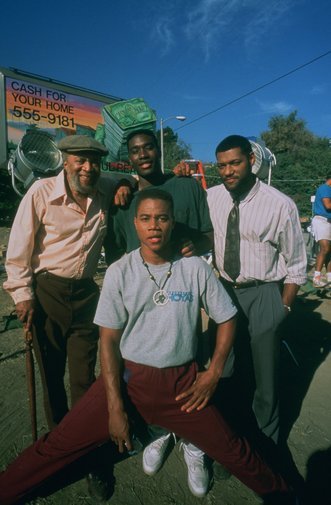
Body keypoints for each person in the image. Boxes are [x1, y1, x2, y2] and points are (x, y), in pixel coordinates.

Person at [0, 189, 298, 505]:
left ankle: (284, 496)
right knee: (57, 445)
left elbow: (227, 318)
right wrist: (115, 408)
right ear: (136, 224)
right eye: (146, 218)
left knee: (234, 448)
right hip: (128, 380)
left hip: (183, 387)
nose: (154, 226)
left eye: (162, 218)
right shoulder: (120, 271)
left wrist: (213, 371)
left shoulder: (194, 268)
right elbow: (109, 340)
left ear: (172, 223)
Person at [105, 129, 214, 496]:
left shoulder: (186, 185)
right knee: (149, 370)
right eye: (135, 151)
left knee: (191, 366)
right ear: (129, 157)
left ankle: (195, 443)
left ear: (159, 150)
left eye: (148, 147)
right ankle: (160, 431)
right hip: (143, 301)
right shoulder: (122, 198)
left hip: (184, 295)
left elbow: (206, 237)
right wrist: (122, 183)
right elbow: (117, 252)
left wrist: (191, 244)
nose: (143, 154)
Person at [3, 134, 133, 430]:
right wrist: (22, 295)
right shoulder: (41, 191)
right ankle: (59, 444)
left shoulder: (103, 188)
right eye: (81, 161)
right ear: (66, 162)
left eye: (95, 162)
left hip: (87, 296)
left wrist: (125, 184)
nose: (88, 168)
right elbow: (18, 249)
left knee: (84, 378)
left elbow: (129, 179)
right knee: (51, 376)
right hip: (48, 293)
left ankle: (84, 443)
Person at [207, 135, 307, 445]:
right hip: (224, 291)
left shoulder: (280, 205)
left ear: (251, 160)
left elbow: (296, 263)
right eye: (222, 165)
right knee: (223, 367)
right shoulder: (211, 197)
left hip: (264, 291)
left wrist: (283, 308)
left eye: (234, 163)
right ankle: (226, 437)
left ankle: (266, 441)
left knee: (266, 376)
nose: (228, 171)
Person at [311, 173, 331, 287]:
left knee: (329, 251)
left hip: (328, 221)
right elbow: (328, 205)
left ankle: (329, 278)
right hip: (321, 221)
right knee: (325, 248)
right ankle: (316, 277)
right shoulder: (325, 188)